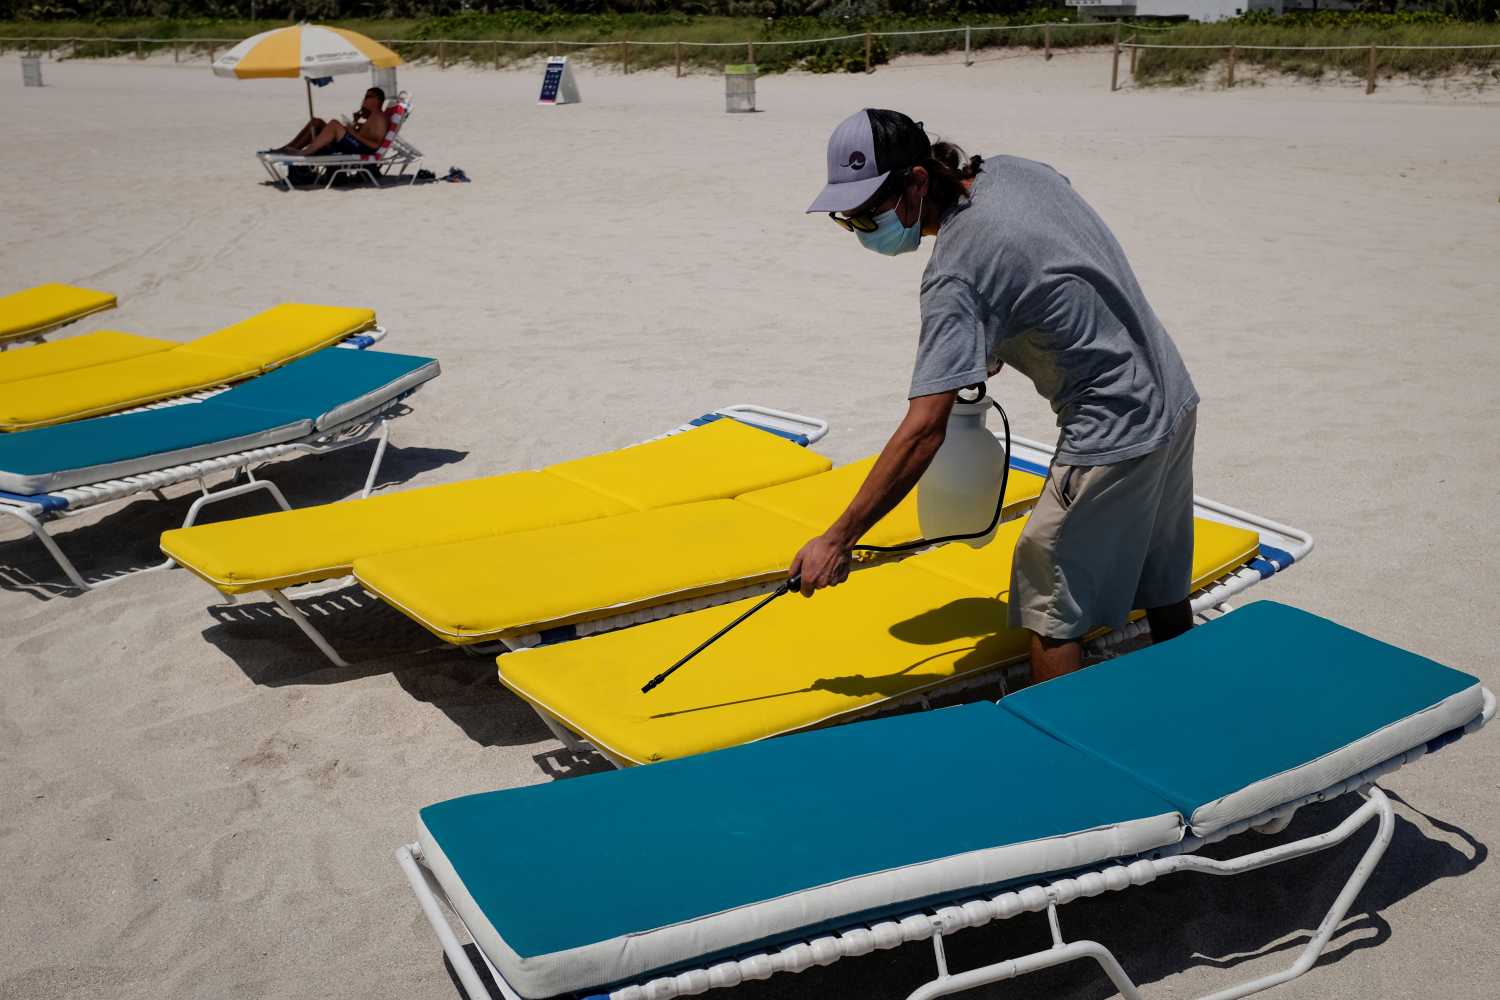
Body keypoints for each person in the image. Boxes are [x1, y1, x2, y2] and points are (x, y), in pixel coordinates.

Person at [790, 108, 1200, 685]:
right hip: (1173, 393)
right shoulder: (1014, 171)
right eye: (847, 219)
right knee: (1160, 576)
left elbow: (924, 429)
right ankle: (1192, 692)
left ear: (916, 182)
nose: (861, 229)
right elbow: (1049, 256)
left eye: (868, 214)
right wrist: (1010, 329)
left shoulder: (955, 276)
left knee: (1049, 593)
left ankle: (1062, 754)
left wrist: (839, 539)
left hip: (1114, 429)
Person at [271, 87, 388, 157]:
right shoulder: (372, 116)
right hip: (356, 144)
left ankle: (306, 152)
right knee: (316, 122)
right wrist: (356, 123)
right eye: (365, 96)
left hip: (362, 150)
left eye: (368, 96)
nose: (364, 98)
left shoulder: (380, 118)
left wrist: (354, 133)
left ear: (377, 100)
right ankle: (287, 148)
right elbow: (366, 133)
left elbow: (376, 145)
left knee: (334, 124)